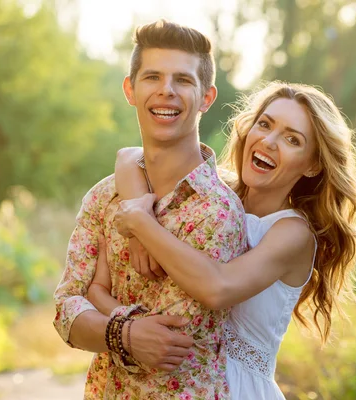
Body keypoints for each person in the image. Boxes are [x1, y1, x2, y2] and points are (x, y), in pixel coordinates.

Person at [88, 81, 356, 399]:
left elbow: (217, 288)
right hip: (168, 379)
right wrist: (141, 232)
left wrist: (140, 223)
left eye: (292, 139)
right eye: (265, 124)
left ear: (313, 164)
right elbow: (129, 158)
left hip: (236, 387)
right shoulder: (216, 192)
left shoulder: (293, 233)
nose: (269, 141)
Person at [52, 20, 248, 399]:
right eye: (152, 77)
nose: (166, 91)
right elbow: (65, 309)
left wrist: (101, 302)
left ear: (206, 97)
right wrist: (124, 333)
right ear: (130, 88)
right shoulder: (105, 196)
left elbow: (172, 340)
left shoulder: (217, 210)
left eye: (183, 80)